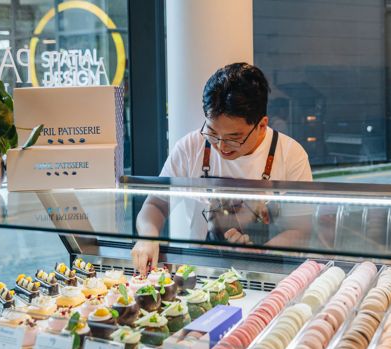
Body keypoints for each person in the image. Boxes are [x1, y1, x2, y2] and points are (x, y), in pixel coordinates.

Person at [131, 63, 312, 275]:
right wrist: (147, 237)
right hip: (200, 273)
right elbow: (156, 204)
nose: (222, 146)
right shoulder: (190, 147)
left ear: (261, 125)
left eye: (234, 138)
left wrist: (257, 255)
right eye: (212, 133)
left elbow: (300, 228)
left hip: (265, 274)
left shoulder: (290, 154)